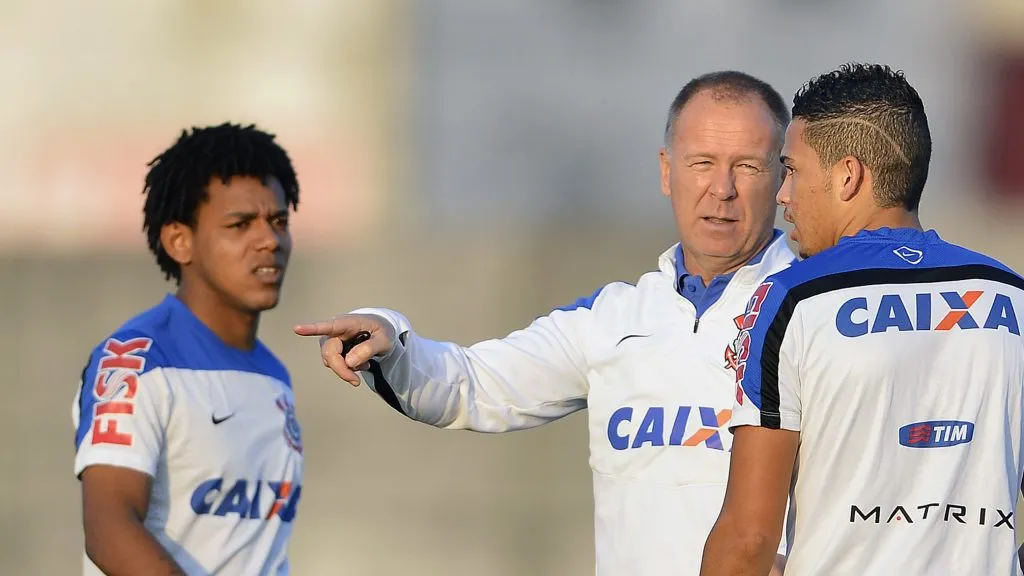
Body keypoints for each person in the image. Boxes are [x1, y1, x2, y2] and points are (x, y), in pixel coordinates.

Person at [295, 71, 795, 575]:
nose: (722, 189)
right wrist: (391, 341)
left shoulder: (814, 312)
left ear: (781, 179)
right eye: (702, 163)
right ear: (667, 171)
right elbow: (472, 385)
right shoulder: (611, 317)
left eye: (747, 166)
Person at [700, 63, 1024, 576]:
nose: (783, 195)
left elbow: (749, 537)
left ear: (848, 176)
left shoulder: (792, 299)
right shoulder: (1012, 296)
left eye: (793, 170)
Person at [71, 123, 304, 575]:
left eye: (278, 221)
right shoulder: (135, 361)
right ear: (180, 241)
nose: (270, 240)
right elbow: (108, 529)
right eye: (240, 224)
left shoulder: (274, 375)